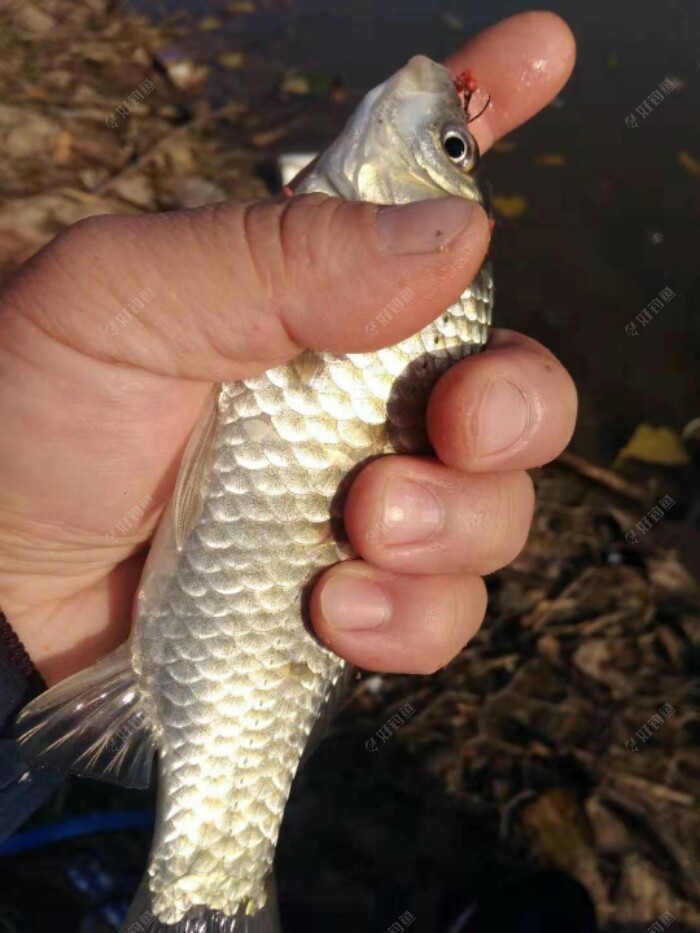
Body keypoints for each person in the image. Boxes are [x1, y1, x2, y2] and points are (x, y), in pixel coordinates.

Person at [0, 10, 582, 927]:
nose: (434, 118)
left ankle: (208, 887)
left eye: (452, 147)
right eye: (454, 147)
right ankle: (213, 882)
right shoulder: (361, 241)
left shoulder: (402, 246)